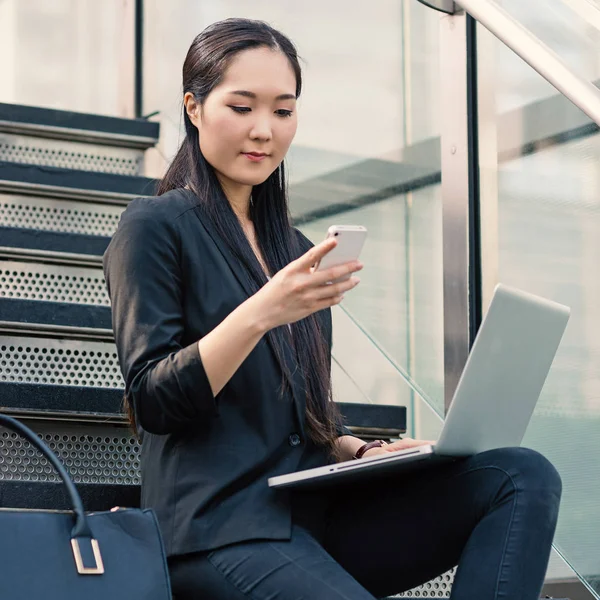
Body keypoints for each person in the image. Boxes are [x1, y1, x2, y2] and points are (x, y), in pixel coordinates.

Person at [103, 18, 562, 600]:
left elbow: (300, 414)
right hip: (217, 531)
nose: (263, 131)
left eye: (283, 111)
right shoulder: (153, 226)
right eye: (241, 107)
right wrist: (262, 310)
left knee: (520, 475)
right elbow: (154, 399)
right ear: (193, 109)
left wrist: (362, 449)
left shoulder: (294, 248)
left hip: (314, 521)